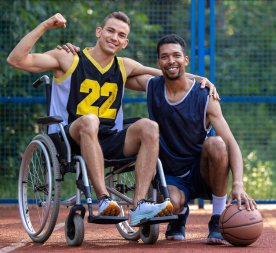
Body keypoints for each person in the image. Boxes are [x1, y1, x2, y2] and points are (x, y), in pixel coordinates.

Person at [7, 13, 215, 226]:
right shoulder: (68, 58)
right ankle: (104, 199)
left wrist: (200, 80)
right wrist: (46, 25)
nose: (115, 37)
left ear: (125, 43)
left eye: (121, 35)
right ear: (99, 32)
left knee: (149, 127)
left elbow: (165, 74)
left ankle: (140, 205)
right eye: (110, 31)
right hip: (68, 138)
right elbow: (16, 59)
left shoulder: (124, 66)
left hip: (107, 139)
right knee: (90, 120)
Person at [121, 34, 257, 245]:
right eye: (164, 57)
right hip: (172, 175)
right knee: (170, 205)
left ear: (186, 59)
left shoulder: (205, 96)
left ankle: (217, 218)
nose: (171, 61)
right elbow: (120, 71)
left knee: (218, 144)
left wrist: (238, 183)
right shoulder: (152, 86)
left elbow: (231, 144)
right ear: (158, 62)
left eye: (176, 56)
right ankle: (180, 213)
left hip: (202, 171)